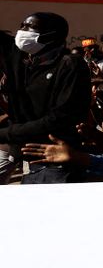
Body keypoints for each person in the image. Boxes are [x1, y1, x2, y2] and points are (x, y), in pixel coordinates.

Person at [0, 12, 92, 184]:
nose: (22, 31)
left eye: (30, 27)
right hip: (30, 161)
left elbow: (59, 118)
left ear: (51, 35)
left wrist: (7, 133)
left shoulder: (70, 64)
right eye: (22, 25)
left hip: (58, 165)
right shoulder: (24, 60)